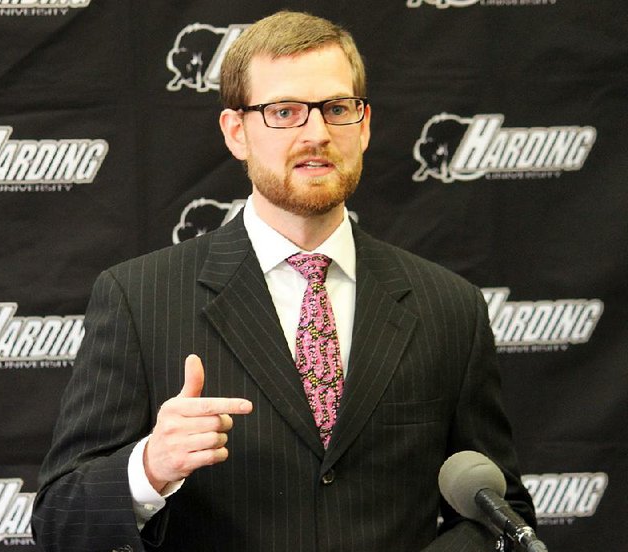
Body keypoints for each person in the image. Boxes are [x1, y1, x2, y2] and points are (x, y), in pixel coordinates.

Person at [32, 10, 536, 552]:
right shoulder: (140, 299)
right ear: (236, 132)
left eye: (337, 109)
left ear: (363, 126)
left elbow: (500, 513)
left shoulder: (448, 306)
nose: (316, 133)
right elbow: (60, 520)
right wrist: (148, 469)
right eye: (285, 112)